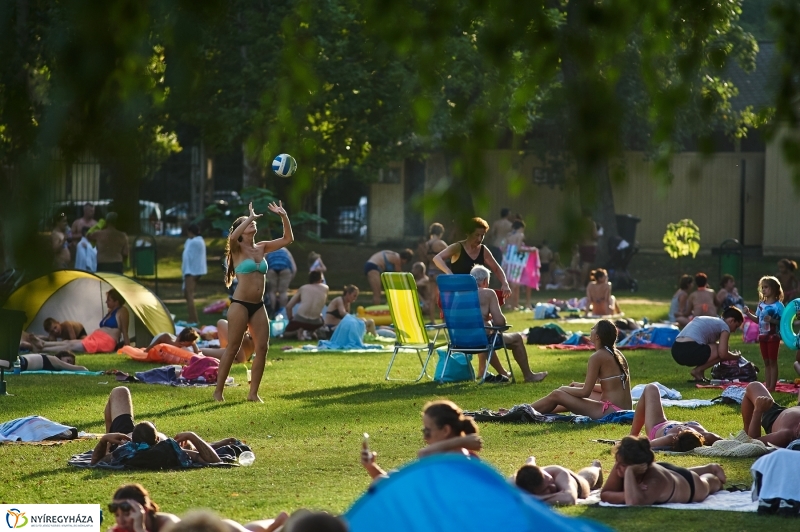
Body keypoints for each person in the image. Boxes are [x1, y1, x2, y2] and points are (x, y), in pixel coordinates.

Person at [215, 201, 293, 402]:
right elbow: (232, 236)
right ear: (241, 231)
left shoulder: (262, 247)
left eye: (252, 223)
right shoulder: (237, 249)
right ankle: (218, 392)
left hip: (258, 306)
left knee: (263, 348)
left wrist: (283, 216)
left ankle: (253, 394)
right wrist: (249, 217)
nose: (252, 225)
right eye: (247, 224)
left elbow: (287, 239)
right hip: (240, 304)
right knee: (233, 348)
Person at [92, 387, 231, 466]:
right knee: (187, 446)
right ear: (157, 439)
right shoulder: (170, 451)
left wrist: (105, 440)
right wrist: (192, 436)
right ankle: (211, 444)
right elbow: (214, 461)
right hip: (139, 439)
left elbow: (95, 463)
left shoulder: (123, 453)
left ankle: (109, 443)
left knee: (120, 391)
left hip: (121, 437)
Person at [530, 319, 631, 418]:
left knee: (557, 394)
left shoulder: (597, 357)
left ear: (597, 336)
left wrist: (563, 388)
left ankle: (525, 410)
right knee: (571, 393)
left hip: (610, 411)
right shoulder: (618, 355)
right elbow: (612, 387)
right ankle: (536, 409)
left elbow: (585, 393)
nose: (591, 329)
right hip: (623, 409)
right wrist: (579, 385)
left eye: (594, 328)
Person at [361, 400, 482, 480]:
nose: (425, 437)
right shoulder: (440, 459)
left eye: (427, 431)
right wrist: (371, 466)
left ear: (445, 430)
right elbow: (391, 484)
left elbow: (423, 454)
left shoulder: (459, 461)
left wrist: (461, 441)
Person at [471, 265, 548, 383]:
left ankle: (503, 372)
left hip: (459, 341)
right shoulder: (488, 293)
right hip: (482, 340)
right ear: (485, 281)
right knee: (516, 338)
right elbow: (500, 323)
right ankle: (529, 376)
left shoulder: (458, 294)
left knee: (487, 339)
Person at [600, 436, 726, 505]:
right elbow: (605, 495)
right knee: (674, 473)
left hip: (691, 484)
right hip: (667, 471)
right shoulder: (624, 462)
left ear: (637, 467)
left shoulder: (656, 480)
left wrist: (628, 474)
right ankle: (707, 467)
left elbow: (633, 502)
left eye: (621, 465)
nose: (616, 468)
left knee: (709, 483)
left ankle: (712, 470)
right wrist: (626, 493)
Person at [433, 217, 511, 299]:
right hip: (458, 293)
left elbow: (496, 268)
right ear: (468, 233)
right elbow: (437, 258)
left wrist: (505, 283)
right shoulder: (458, 247)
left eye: (482, 235)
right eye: (477, 235)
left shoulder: (483, 250)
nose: (479, 239)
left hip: (476, 294)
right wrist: (449, 272)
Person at [629, 383, 721, 451]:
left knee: (651, 388)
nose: (682, 427)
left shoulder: (670, 438)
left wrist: (629, 442)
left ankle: (633, 435)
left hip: (658, 424)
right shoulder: (707, 436)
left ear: (678, 435)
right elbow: (727, 443)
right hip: (668, 424)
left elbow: (644, 445)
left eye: (681, 430)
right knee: (651, 387)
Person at [41, 289, 130, 353]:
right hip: (96, 337)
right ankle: (43, 344)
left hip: (106, 342)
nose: (106, 302)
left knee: (71, 346)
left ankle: (41, 349)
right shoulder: (109, 312)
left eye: (109, 300)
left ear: (116, 301)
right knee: (68, 342)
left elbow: (125, 332)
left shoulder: (122, 311)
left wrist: (128, 349)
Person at [671, 307, 744, 383]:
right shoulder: (724, 326)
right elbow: (723, 354)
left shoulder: (712, 321)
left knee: (711, 347)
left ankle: (699, 375)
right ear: (731, 320)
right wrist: (736, 356)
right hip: (690, 349)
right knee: (723, 350)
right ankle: (697, 371)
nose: (734, 331)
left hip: (676, 349)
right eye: (736, 326)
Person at [744, 276, 785, 392]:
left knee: (772, 361)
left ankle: (772, 386)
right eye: (762, 287)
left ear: (774, 289)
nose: (763, 290)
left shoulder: (779, 306)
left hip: (773, 337)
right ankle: (767, 386)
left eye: (766, 287)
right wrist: (748, 314)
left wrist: (772, 321)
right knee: (766, 361)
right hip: (762, 336)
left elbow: (783, 322)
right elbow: (758, 320)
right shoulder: (761, 304)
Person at [513, 456, 603, 505]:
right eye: (546, 489)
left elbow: (569, 498)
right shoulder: (514, 483)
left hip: (574, 481)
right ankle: (531, 461)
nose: (553, 486)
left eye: (550, 481)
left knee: (586, 479)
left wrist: (535, 499)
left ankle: (596, 466)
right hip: (536, 476)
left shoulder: (559, 473)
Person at [740, 381, 800, 448]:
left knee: (753, 386)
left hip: (774, 416)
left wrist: (758, 411)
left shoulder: (785, 435)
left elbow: (754, 442)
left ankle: (746, 431)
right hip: (793, 411)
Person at [284, 271, 329, 340]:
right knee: (321, 320)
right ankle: (311, 331)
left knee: (286, 334)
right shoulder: (325, 288)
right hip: (316, 322)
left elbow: (288, 307)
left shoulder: (303, 288)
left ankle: (297, 332)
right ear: (320, 280)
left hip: (300, 320)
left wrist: (291, 320)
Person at [421, 223, 447, 323]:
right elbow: (452, 254)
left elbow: (425, 259)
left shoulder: (427, 244)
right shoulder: (440, 243)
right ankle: (444, 320)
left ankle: (432, 320)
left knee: (432, 298)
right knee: (443, 296)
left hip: (431, 271)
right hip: (440, 272)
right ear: (440, 233)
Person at [181, 224, 207, 325]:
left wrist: (187, 270)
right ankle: (191, 317)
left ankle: (194, 319)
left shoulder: (195, 242)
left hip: (192, 271)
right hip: (193, 270)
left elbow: (188, 255)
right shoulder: (196, 241)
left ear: (191, 232)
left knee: (189, 294)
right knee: (187, 294)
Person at [265, 247, 297, 315]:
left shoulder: (269, 248)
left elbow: (263, 263)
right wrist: (289, 280)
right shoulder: (286, 250)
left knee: (272, 291)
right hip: (285, 268)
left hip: (271, 267)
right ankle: (282, 313)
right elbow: (294, 268)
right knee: (283, 292)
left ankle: (271, 313)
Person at [579, 211, 600, 287]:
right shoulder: (591, 223)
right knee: (587, 265)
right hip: (590, 246)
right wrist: (599, 233)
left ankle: (583, 283)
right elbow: (594, 235)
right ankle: (582, 284)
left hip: (582, 245)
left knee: (583, 265)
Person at [19, 351, 88, 372]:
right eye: (68, 361)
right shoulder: (55, 360)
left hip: (20, 363)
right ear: (61, 356)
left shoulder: (48, 357)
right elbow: (83, 369)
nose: (68, 364)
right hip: (20, 363)